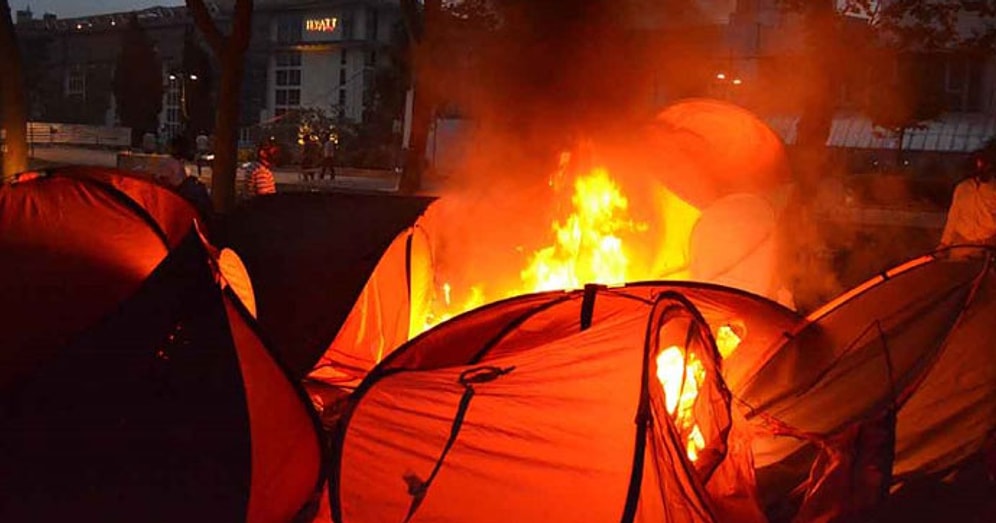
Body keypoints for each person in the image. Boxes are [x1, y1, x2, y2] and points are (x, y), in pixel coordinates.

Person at [939, 144, 996, 249]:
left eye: (985, 166)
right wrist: (945, 243)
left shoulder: (994, 189)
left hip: (989, 243)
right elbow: (953, 216)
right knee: (960, 265)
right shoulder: (962, 188)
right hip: (962, 242)